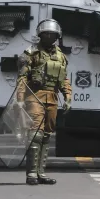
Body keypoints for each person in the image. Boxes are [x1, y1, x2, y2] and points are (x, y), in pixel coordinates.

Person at [16, 18, 72, 185]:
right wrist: (20, 100)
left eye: (53, 34)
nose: (50, 36)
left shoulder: (61, 56)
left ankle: (41, 173)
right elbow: (22, 78)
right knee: (35, 135)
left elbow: (64, 79)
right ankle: (31, 174)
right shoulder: (31, 53)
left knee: (47, 136)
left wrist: (67, 96)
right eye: (46, 33)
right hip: (35, 96)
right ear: (40, 35)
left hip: (52, 97)